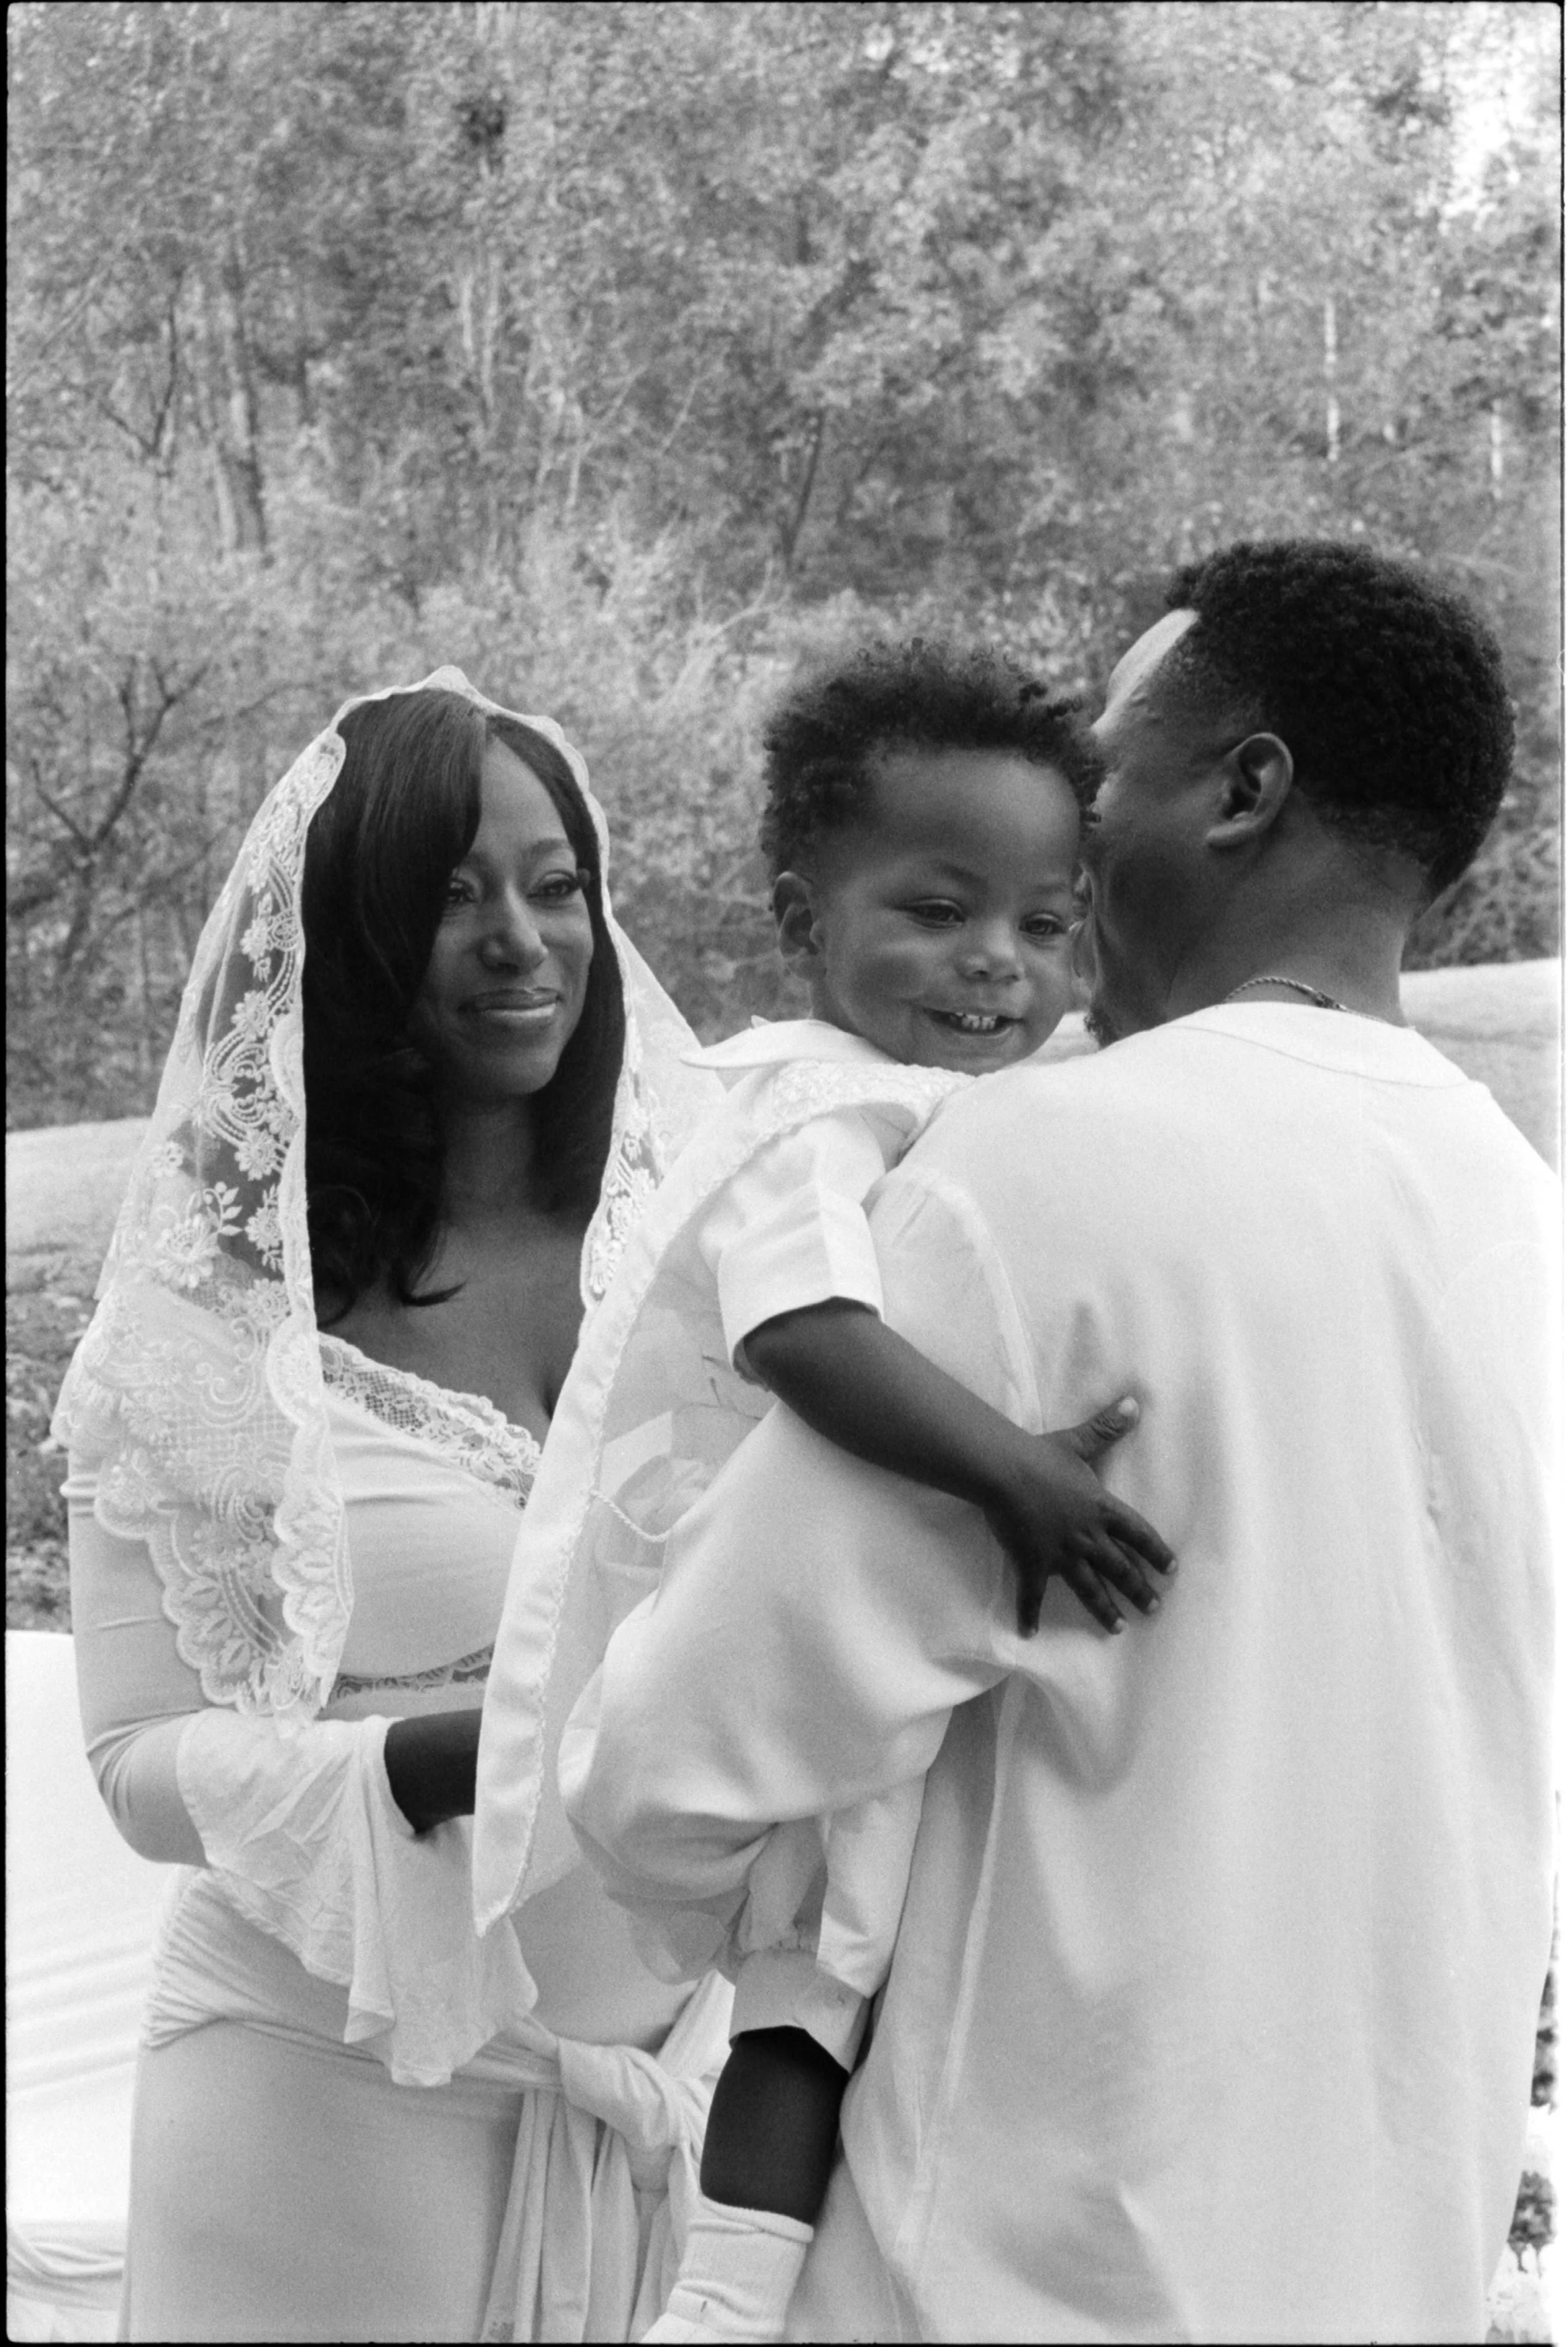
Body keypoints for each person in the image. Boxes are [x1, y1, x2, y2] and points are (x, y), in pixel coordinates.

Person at [560, 544, 1559, 2344]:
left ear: (1242, 789)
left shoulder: (1037, 1169)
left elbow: (673, 1757)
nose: (1073, 834)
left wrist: (769, 1945)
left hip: (1004, 2275)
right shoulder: (1524, 1223)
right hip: (1376, 2274)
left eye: (1104, 772)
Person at [473, 645, 1175, 2336]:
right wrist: (1015, 1476)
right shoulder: (806, 1102)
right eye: (937, 910)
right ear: (803, 915)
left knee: (834, 1970)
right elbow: (801, 1334)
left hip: (850, 1586)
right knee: (813, 1971)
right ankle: (723, 2299)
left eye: (1046, 920)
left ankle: (733, 2286)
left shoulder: (980, 1093)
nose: (998, 960)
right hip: (748, 1574)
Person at [53, 671, 730, 2343]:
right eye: (450, 894)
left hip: (670, 2097)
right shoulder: (217, 1311)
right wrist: (448, 1756)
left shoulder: (705, 1250)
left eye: (556, 886)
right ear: (346, 939)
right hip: (323, 2091)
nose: (521, 938)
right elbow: (134, 1762)